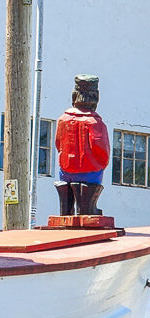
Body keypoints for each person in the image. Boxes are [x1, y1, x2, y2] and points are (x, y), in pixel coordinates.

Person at [54, 75, 110, 216]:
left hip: (66, 168)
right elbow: (102, 149)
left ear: (74, 97)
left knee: (65, 179)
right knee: (92, 178)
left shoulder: (62, 120)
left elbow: (58, 143)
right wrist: (101, 164)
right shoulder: (95, 123)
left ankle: (66, 207)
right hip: (90, 169)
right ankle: (87, 207)